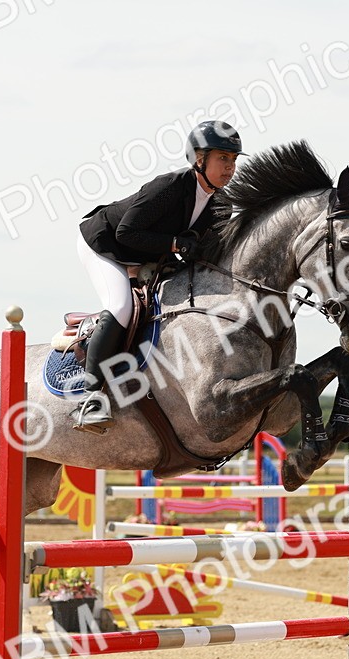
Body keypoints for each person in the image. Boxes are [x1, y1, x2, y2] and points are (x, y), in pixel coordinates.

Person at [72, 120, 244, 433]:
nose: (229, 167)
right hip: (105, 244)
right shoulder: (170, 187)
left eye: (233, 160)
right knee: (121, 305)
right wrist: (175, 244)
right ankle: (89, 398)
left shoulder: (222, 205)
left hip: (149, 256)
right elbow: (126, 232)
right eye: (223, 158)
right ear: (199, 159)